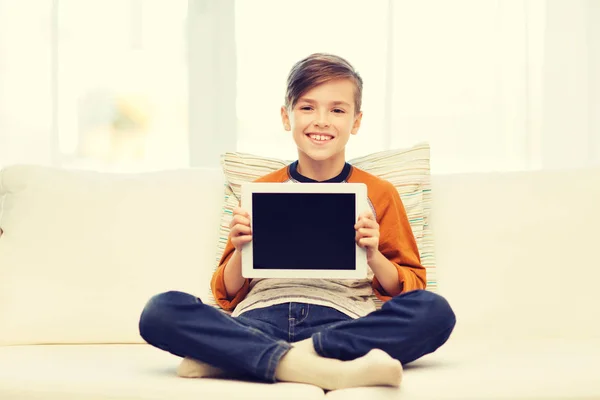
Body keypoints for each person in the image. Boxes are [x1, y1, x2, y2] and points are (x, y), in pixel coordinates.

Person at [138, 53, 456, 391]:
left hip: (339, 326)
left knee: (434, 312)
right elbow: (227, 294)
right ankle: (321, 369)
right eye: (307, 107)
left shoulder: (379, 193)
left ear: (356, 121)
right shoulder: (260, 190)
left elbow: (409, 288)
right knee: (160, 311)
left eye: (337, 110)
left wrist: (374, 254)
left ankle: (251, 358)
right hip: (259, 319)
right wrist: (239, 250)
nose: (321, 120)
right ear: (286, 116)